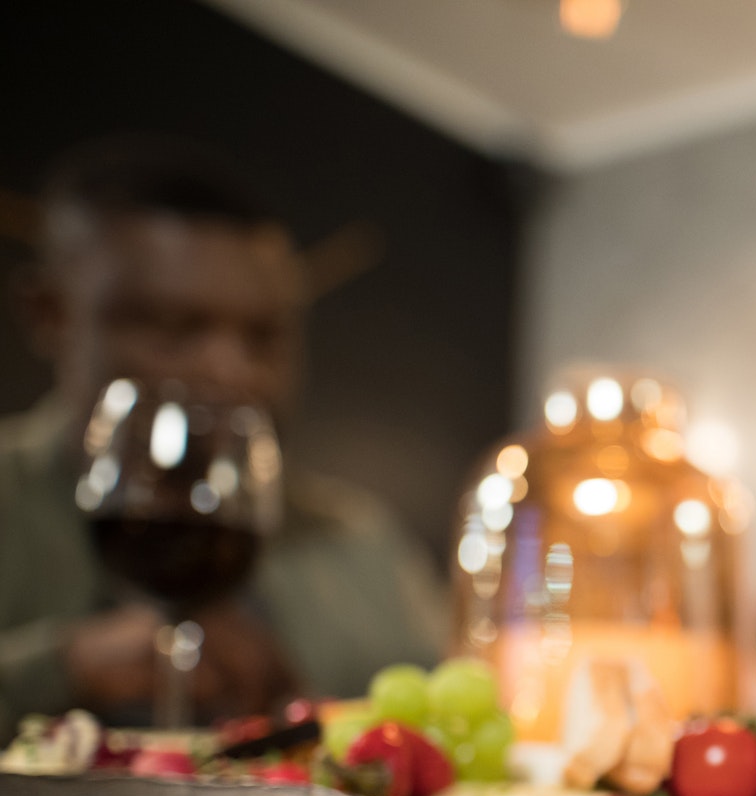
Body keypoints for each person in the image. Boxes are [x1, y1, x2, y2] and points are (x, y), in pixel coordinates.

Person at [0, 137, 445, 737]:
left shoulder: (361, 541)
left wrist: (314, 722)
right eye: (172, 327)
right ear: (50, 315)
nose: (235, 372)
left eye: (265, 337)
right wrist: (59, 669)